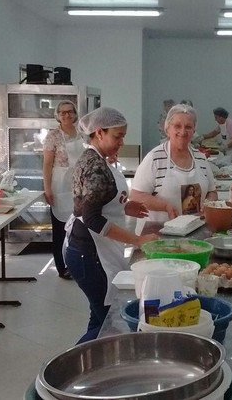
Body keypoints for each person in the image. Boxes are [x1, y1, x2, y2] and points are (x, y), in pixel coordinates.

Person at [64, 107, 159, 343]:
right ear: (99, 133)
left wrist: (125, 206)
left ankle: (86, 359)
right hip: (89, 253)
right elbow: (92, 218)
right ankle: (71, 362)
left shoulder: (97, 159)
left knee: (99, 320)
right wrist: (137, 240)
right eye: (118, 136)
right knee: (111, 322)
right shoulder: (96, 167)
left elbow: (99, 201)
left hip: (86, 249)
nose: (122, 142)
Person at [131, 104, 217, 233]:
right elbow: (136, 196)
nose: (183, 132)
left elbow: (212, 192)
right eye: (177, 126)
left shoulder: (200, 158)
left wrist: (208, 205)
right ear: (167, 128)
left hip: (193, 231)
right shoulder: (155, 158)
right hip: (158, 233)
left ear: (194, 130)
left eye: (188, 127)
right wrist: (165, 206)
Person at [42, 99, 83, 279]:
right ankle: (62, 267)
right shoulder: (53, 136)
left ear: (75, 114)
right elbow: (47, 165)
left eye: (70, 111)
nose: (66, 115)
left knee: (79, 227)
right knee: (60, 229)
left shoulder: (82, 134)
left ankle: (78, 263)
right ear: (57, 116)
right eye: (62, 112)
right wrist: (47, 189)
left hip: (80, 185)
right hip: (60, 185)